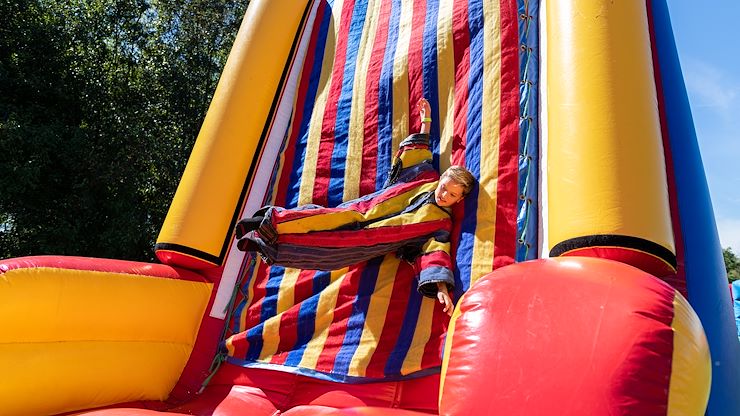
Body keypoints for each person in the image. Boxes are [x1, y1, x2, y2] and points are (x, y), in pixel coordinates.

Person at [235, 99, 475, 316]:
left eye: (452, 194)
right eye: (444, 187)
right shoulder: (426, 177)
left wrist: (442, 287)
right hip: (362, 209)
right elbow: (420, 153)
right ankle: (265, 221)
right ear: (441, 178)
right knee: (321, 218)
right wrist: (427, 121)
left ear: (459, 199)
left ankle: (263, 244)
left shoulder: (440, 223)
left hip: (368, 241)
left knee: (327, 251)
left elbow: (435, 254)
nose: (444, 194)